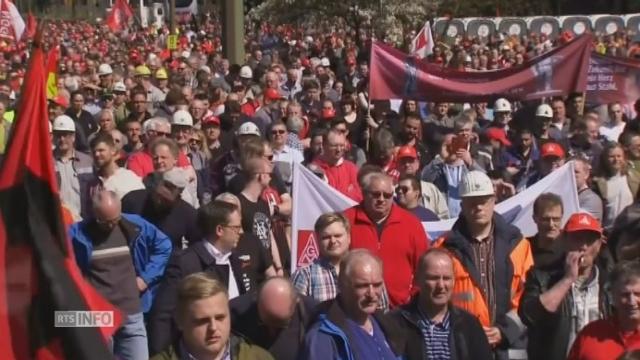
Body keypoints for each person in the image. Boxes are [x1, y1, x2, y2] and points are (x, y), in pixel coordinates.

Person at [435, 170, 533, 360]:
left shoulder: (519, 245)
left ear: (493, 201)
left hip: (511, 346)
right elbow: (435, 299)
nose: (478, 207)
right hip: (463, 344)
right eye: (472, 202)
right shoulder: (443, 248)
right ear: (462, 205)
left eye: (484, 201)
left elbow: (529, 295)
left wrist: (504, 330)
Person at [68, 190, 172, 360]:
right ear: (94, 214)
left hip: (132, 313)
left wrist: (146, 278)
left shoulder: (134, 225)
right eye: (105, 222)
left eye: (115, 220)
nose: (111, 226)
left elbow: (164, 245)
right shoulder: (77, 233)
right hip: (99, 316)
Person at [148, 201, 255, 355]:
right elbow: (162, 315)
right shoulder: (185, 262)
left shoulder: (236, 259)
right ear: (219, 230)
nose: (241, 232)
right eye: (236, 228)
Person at [519, 212, 611, 360]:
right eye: (577, 238)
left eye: (590, 239)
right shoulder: (542, 276)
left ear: (599, 245)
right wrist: (567, 279)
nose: (584, 246)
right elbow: (530, 316)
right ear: (563, 241)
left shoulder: (610, 283)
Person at [390, 248, 493, 359]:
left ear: (454, 281)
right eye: (433, 278)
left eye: (447, 278)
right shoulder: (396, 323)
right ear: (418, 279)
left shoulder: (468, 325)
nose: (441, 285)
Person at [300, 250, 403, 359]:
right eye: (362, 286)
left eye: (377, 285)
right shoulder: (323, 337)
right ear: (341, 285)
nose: (371, 294)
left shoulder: (387, 326)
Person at [345, 172, 429, 307]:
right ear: (364, 193)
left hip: (400, 312)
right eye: (376, 194)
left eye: (387, 195)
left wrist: (412, 298)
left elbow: (424, 267)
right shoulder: (347, 220)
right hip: (356, 309)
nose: (381, 199)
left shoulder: (411, 224)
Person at [150, 273, 273, 360]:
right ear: (180, 321)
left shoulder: (258, 357)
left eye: (220, 318)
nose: (213, 328)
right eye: (202, 321)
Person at [230, 277, 318, 360]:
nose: (272, 331)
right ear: (257, 300)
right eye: (263, 323)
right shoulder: (234, 311)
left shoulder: (313, 313)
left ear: (296, 302)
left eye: (281, 326)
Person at [567, 260, 640, 359]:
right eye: (625, 295)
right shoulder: (591, 334)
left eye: (637, 294)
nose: (632, 301)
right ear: (613, 296)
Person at [121, 168, 200, 250]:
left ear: (179, 194)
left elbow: (197, 245)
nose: (159, 201)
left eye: (165, 200)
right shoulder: (133, 200)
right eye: (158, 196)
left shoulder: (187, 214)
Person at [52, 114, 94, 219]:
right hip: (58, 221)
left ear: (73, 137)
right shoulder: (47, 161)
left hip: (82, 221)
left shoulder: (87, 161)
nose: (62, 139)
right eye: (58, 135)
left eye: (66, 135)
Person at [87, 132, 144, 203]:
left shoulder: (128, 178)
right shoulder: (93, 183)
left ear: (113, 150)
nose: (97, 154)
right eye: (94, 152)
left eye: (101, 150)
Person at [592, 142, 638, 229]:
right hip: (608, 230)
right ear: (605, 159)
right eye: (612, 156)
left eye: (619, 156)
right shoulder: (598, 183)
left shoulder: (634, 179)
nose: (616, 159)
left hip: (630, 230)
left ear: (624, 157)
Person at [396, 145, 449, 219]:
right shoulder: (391, 192)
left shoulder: (431, 189)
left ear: (417, 164)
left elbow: (444, 216)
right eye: (403, 162)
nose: (407, 164)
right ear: (397, 165)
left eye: (410, 161)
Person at [312, 129, 362, 202]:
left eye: (341, 145)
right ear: (324, 145)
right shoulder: (315, 169)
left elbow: (359, 195)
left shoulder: (351, 168)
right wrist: (348, 193)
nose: (339, 149)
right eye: (334, 146)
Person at [529, 193, 565, 268]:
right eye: (545, 219)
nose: (551, 224)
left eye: (556, 219)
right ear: (534, 218)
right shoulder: (525, 249)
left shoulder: (570, 248)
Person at [574, 157, 604, 222]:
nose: (571, 175)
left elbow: (580, 225)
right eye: (568, 172)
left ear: (586, 174)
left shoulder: (592, 199)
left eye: (576, 172)